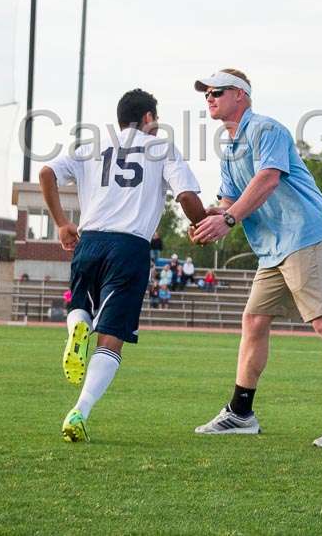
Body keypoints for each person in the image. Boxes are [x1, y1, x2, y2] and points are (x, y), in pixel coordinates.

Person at [189, 69, 322, 448]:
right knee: (254, 320)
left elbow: (268, 180)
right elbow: (228, 202)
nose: (209, 98)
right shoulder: (230, 148)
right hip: (274, 247)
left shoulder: (266, 130)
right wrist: (208, 216)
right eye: (206, 93)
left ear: (241, 95)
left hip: (305, 234)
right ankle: (241, 413)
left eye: (216, 91)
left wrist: (228, 218)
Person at [39, 88, 206, 443]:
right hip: (129, 246)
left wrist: (60, 223)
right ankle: (79, 411)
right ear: (148, 117)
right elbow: (187, 197)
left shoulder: (91, 145)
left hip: (90, 240)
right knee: (111, 337)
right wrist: (200, 224)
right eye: (156, 119)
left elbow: (46, 174)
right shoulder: (161, 148)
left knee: (80, 305)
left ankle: (76, 328)